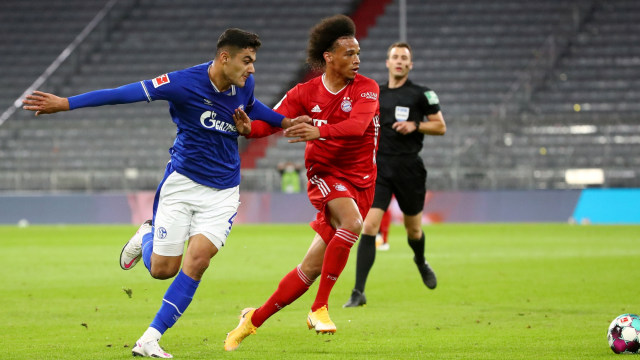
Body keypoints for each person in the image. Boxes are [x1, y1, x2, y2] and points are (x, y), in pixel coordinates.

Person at [22, 28, 307, 358]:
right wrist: (67, 103)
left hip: (223, 192)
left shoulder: (244, 85)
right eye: (247, 61)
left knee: (198, 261)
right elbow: (123, 93)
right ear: (224, 58)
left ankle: (150, 338)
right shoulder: (182, 83)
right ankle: (145, 235)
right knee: (162, 270)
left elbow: (253, 108)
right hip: (182, 185)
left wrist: (284, 122)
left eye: (253, 62)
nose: (252, 69)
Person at [223, 14, 380, 351]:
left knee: (309, 269)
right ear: (329, 57)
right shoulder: (305, 92)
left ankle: (252, 320)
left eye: (358, 54)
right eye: (349, 54)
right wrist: (248, 128)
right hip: (325, 174)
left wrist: (319, 130)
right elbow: (272, 122)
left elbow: (357, 127)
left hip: (363, 182)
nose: (357, 60)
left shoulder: (367, 88)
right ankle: (319, 308)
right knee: (351, 223)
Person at [343, 41, 447, 308]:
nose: (399, 61)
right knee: (368, 226)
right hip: (379, 168)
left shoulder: (422, 95)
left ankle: (420, 261)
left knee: (413, 230)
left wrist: (415, 125)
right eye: (395, 57)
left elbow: (440, 127)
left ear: (410, 65)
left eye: (404, 58)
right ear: (387, 63)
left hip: (409, 168)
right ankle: (358, 292)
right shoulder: (374, 93)